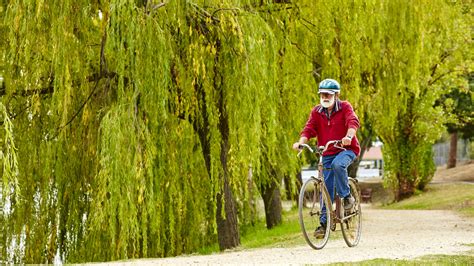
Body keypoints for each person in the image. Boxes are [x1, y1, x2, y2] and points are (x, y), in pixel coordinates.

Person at [292, 78, 360, 239]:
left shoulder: (345, 107)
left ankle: (346, 197)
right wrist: (301, 143)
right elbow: (309, 129)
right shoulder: (316, 111)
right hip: (327, 152)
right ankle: (324, 224)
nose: (325, 97)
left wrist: (349, 136)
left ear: (336, 95)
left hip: (346, 149)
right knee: (326, 189)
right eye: (323, 94)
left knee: (338, 165)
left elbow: (353, 122)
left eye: (329, 94)